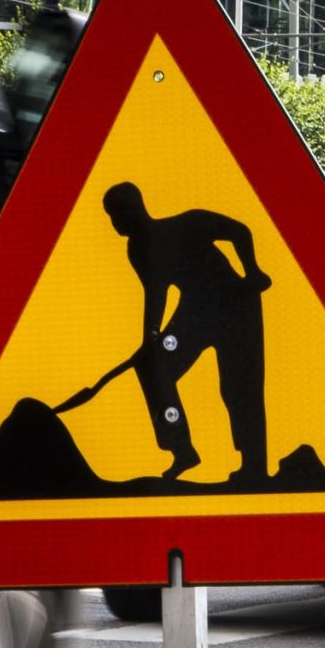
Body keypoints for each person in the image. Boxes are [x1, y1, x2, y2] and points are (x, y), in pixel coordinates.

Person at [102, 181, 272, 482]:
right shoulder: (137, 248)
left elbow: (239, 231)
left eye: (115, 216)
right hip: (196, 313)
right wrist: (151, 338)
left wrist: (252, 271)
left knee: (238, 386)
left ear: (132, 211)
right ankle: (182, 449)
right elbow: (156, 292)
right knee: (153, 367)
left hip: (235, 304)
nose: (114, 224)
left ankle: (254, 467)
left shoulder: (189, 223)